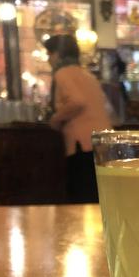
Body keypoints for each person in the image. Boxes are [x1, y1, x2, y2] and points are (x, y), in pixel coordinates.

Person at [45, 34, 112, 203]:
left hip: (82, 143)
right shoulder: (87, 75)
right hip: (102, 142)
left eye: (49, 54)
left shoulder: (62, 73)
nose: (48, 59)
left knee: (81, 198)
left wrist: (55, 119)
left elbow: (77, 102)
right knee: (99, 197)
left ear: (57, 54)